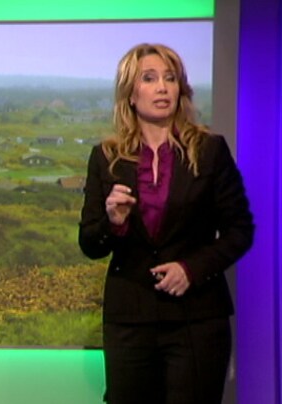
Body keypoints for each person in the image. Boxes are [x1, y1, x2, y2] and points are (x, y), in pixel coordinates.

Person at [78, 43, 254, 404]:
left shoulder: (209, 151)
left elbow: (240, 231)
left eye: (170, 78)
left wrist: (191, 269)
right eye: (149, 78)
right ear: (130, 94)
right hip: (130, 320)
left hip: (196, 319)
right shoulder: (106, 157)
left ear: (180, 89)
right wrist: (113, 222)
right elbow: (90, 243)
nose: (162, 88)